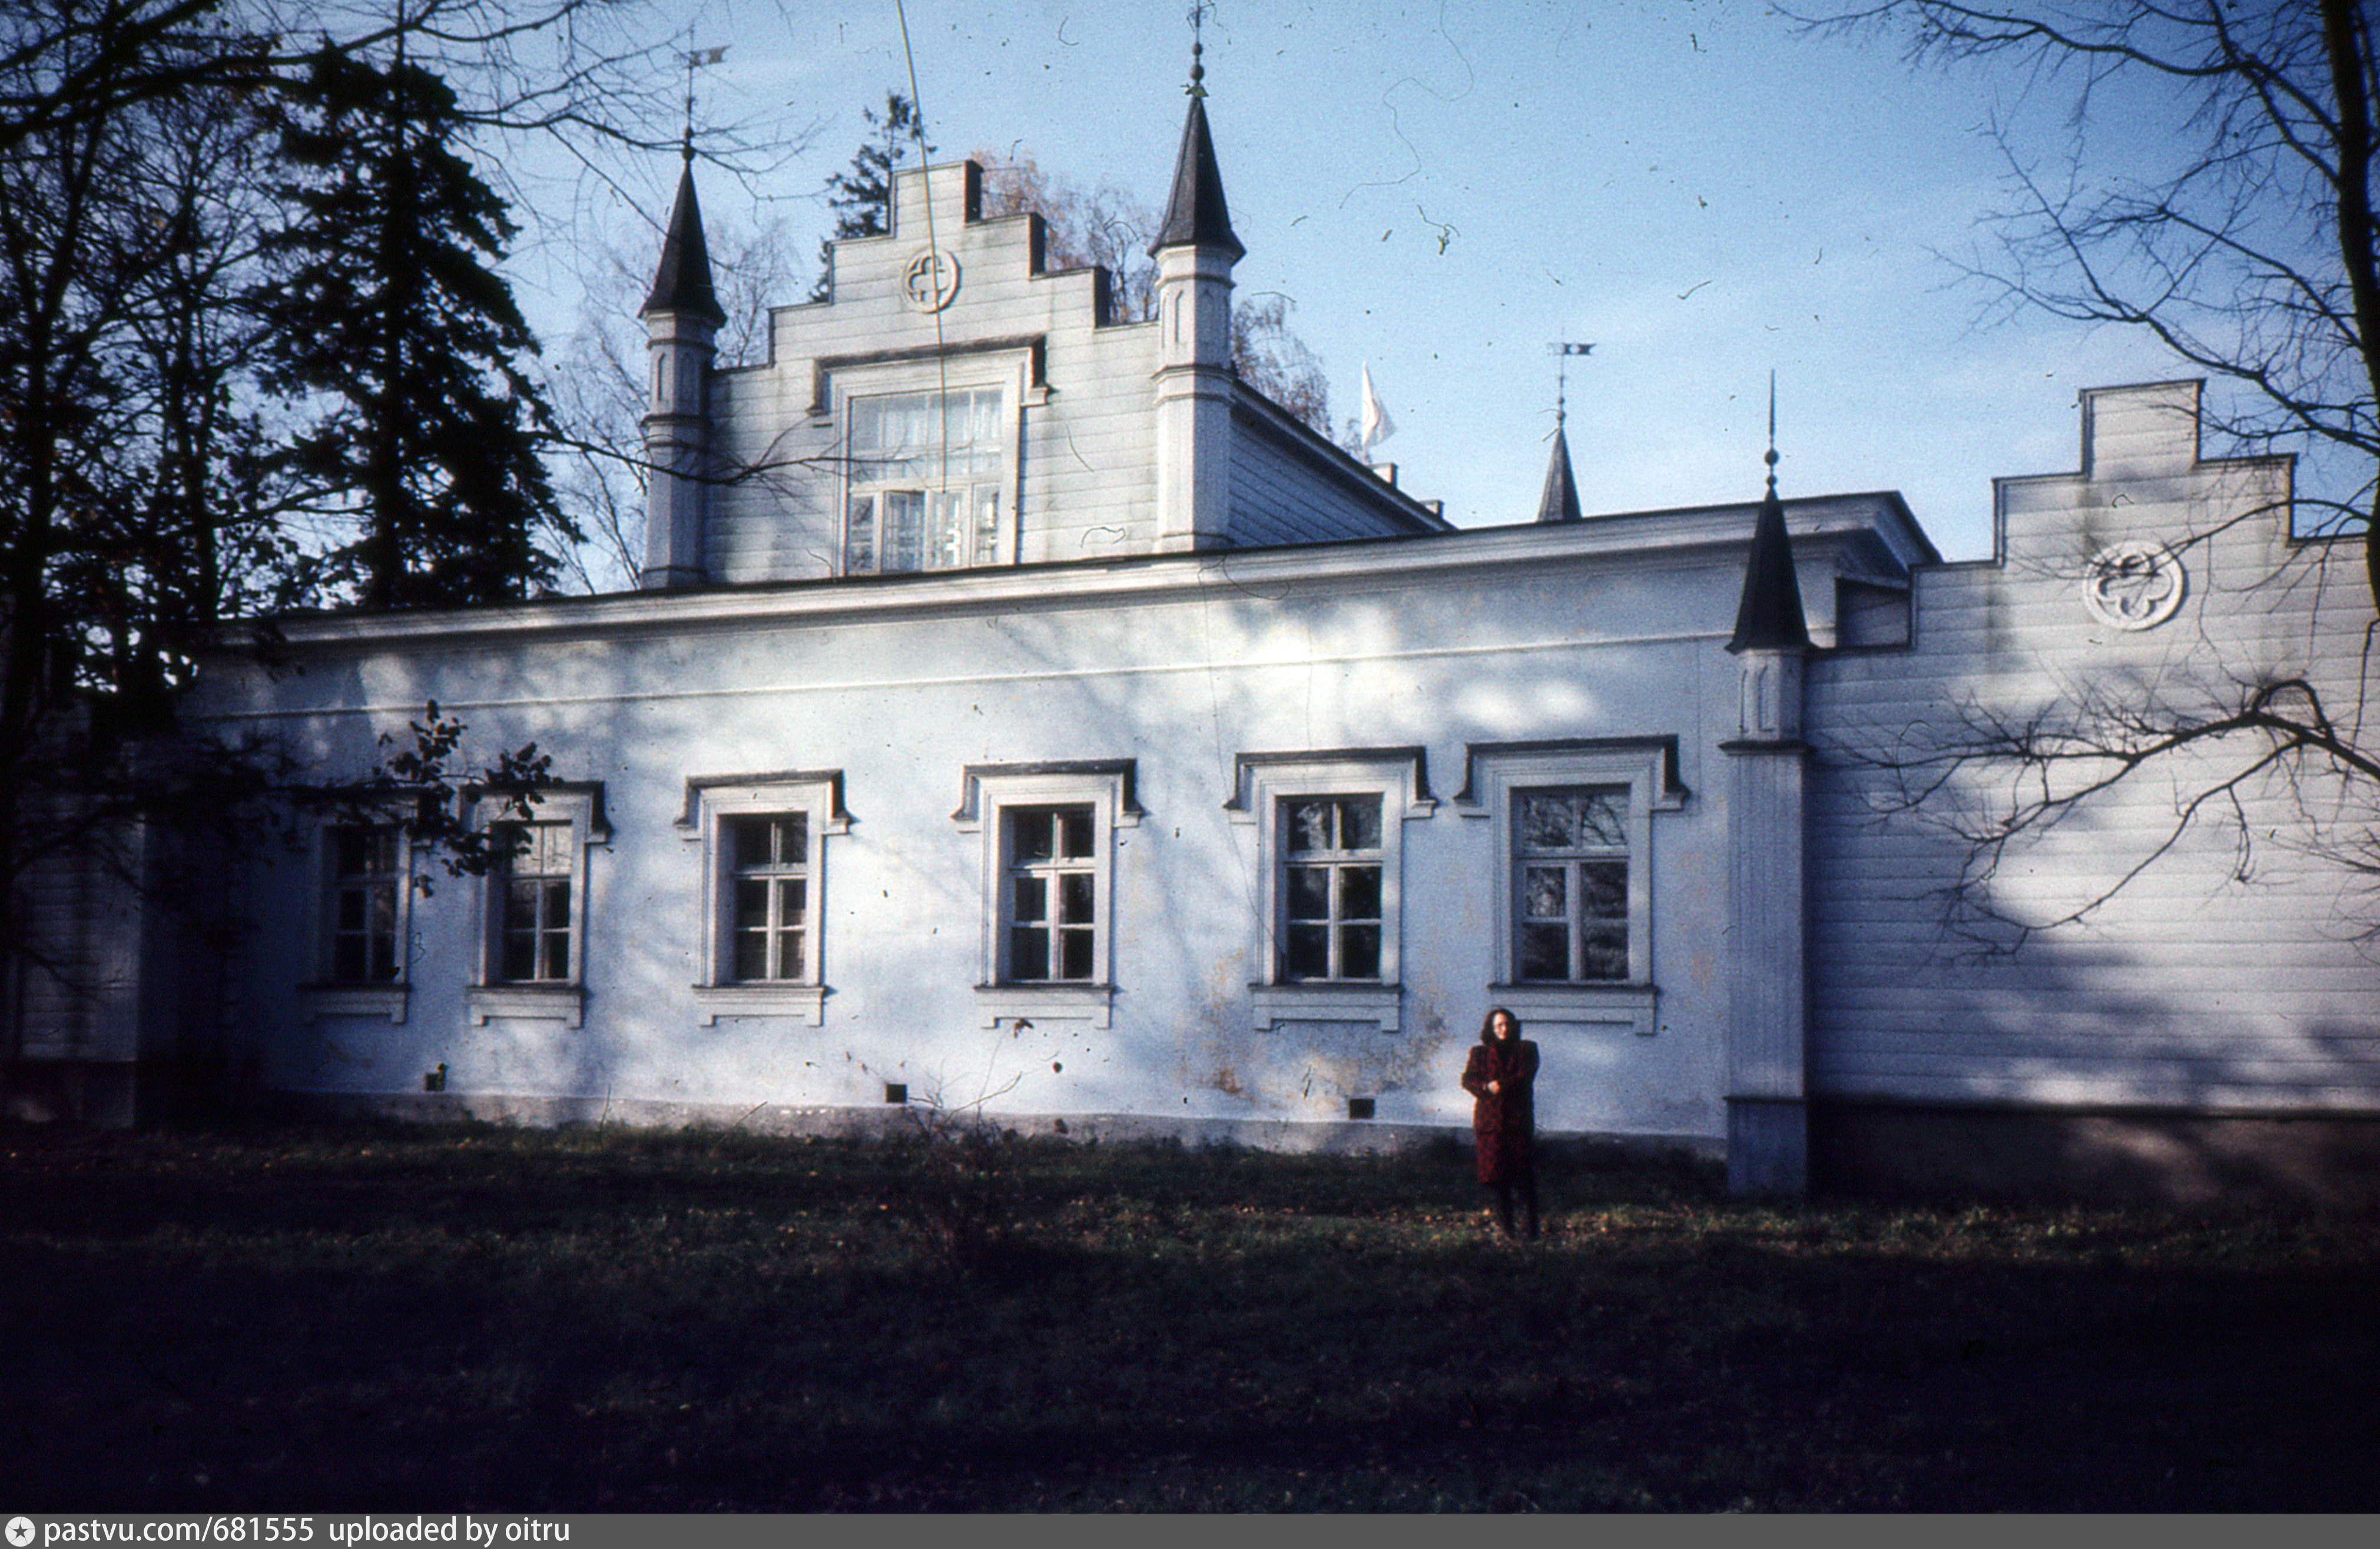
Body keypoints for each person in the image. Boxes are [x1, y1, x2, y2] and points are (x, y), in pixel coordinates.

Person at [1460, 1006, 1540, 1240]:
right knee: (1498, 1180)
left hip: (1517, 1121)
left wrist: (1499, 1085)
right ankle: (1508, 1230)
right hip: (1491, 1123)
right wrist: (1486, 1088)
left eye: (1507, 1025)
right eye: (1499, 1026)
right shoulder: (1480, 1054)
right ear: (1491, 1029)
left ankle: (1532, 1229)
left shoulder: (1526, 1049)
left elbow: (1525, 1076)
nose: (1504, 1029)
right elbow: (1468, 1080)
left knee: (1524, 1178)